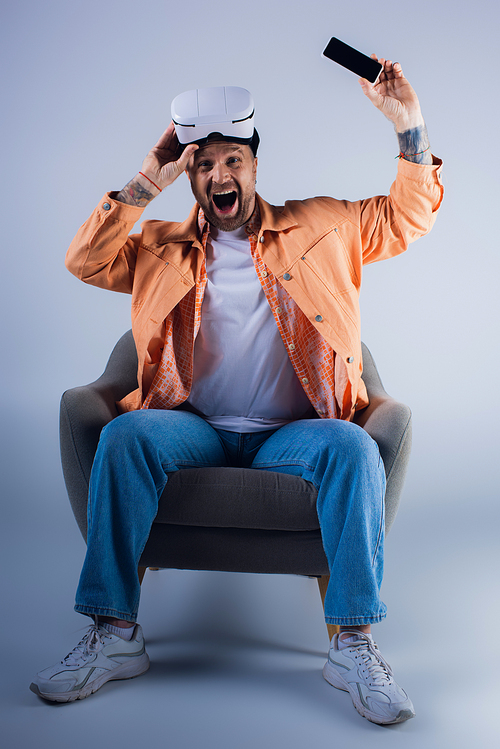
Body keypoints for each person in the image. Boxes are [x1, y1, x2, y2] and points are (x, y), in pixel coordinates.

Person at [31, 58, 443, 724]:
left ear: (254, 165)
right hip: (194, 425)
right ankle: (114, 635)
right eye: (202, 166)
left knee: (354, 449)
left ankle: (353, 643)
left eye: (231, 161)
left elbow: (407, 216)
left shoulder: (323, 226)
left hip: (294, 431)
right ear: (189, 178)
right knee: (124, 434)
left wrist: (409, 124)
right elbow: (86, 259)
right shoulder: (163, 247)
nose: (218, 176)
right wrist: (148, 177)